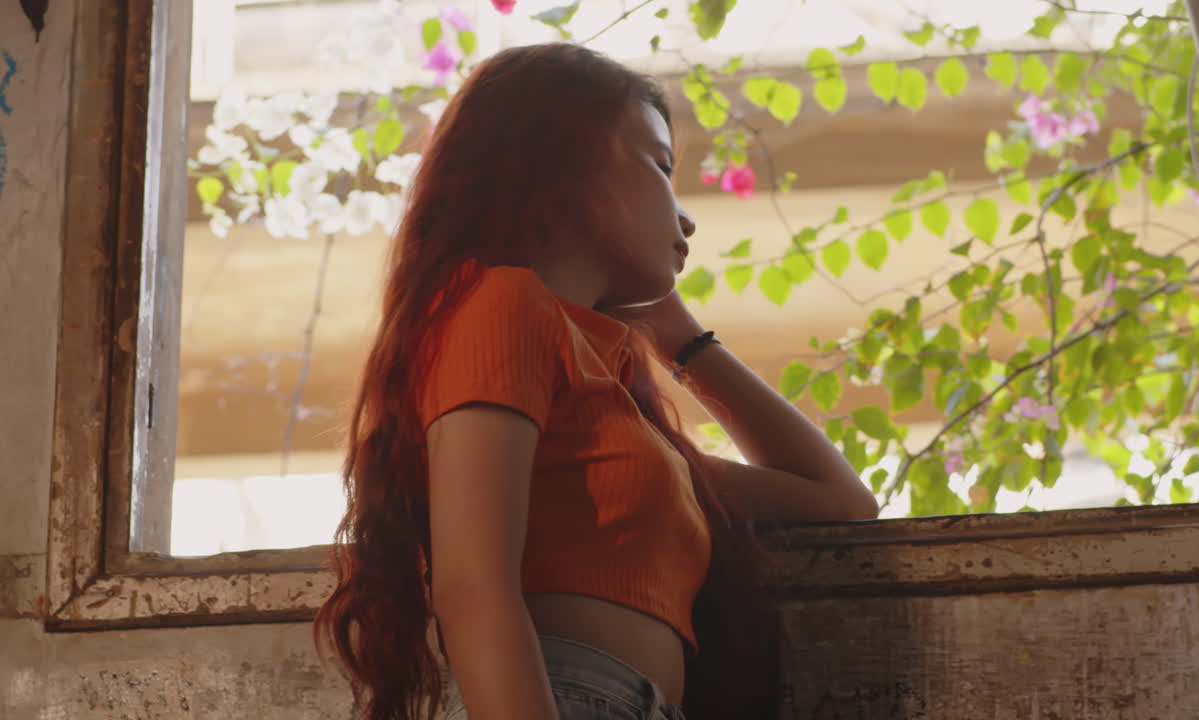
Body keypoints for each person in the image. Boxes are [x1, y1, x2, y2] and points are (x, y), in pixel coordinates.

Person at [313, 42, 879, 720]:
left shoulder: (618, 417)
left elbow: (839, 498)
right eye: (663, 165)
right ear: (567, 160)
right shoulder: (503, 305)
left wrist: (680, 337)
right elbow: (473, 585)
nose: (686, 216)